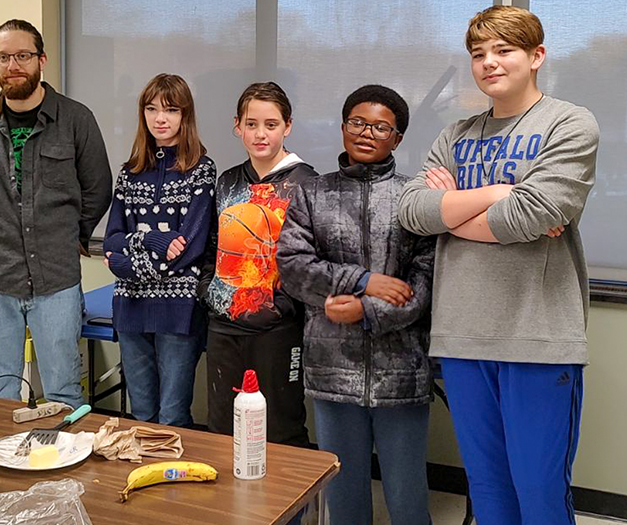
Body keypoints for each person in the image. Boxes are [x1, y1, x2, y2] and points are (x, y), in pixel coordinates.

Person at [398, 6, 599, 524]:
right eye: (478, 54)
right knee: (487, 492)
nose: (489, 63)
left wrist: (455, 211)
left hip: (537, 336)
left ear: (536, 56)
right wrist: (494, 194)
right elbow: (412, 211)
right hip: (462, 336)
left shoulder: (569, 123)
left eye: (504, 50)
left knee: (538, 494)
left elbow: (533, 212)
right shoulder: (456, 135)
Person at [278, 85, 435, 525]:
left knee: (407, 492)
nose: (367, 133)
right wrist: (362, 281)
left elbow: (424, 282)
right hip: (331, 365)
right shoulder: (312, 193)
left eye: (381, 126)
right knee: (343, 492)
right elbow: (293, 266)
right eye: (358, 123)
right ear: (343, 127)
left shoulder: (412, 197)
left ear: (397, 137)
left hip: (401, 369)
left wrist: (366, 310)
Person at [0, 19, 111, 406]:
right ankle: (5, 465)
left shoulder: (76, 119)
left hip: (56, 280)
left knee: (63, 391)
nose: (13, 65)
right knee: (0, 394)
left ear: (41, 59)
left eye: (22, 55)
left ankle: (67, 465)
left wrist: (71, 234)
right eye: (3, 57)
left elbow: (98, 187)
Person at [199, 82, 314, 447]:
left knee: (280, 428)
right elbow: (212, 245)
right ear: (237, 126)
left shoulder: (307, 183)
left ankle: (287, 506)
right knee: (221, 426)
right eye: (251, 124)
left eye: (271, 124)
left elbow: (312, 259)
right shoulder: (228, 181)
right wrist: (209, 291)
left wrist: (283, 307)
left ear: (288, 127)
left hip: (277, 330)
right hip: (225, 326)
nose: (260, 134)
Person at [102, 74, 216, 427]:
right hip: (131, 307)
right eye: (151, 109)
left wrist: (125, 263)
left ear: (185, 116)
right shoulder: (129, 173)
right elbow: (110, 241)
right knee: (141, 415)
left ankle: (172, 483)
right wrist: (152, 241)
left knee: (172, 415)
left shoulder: (201, 171)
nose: (159, 118)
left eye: (170, 109)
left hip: (178, 310)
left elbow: (190, 249)